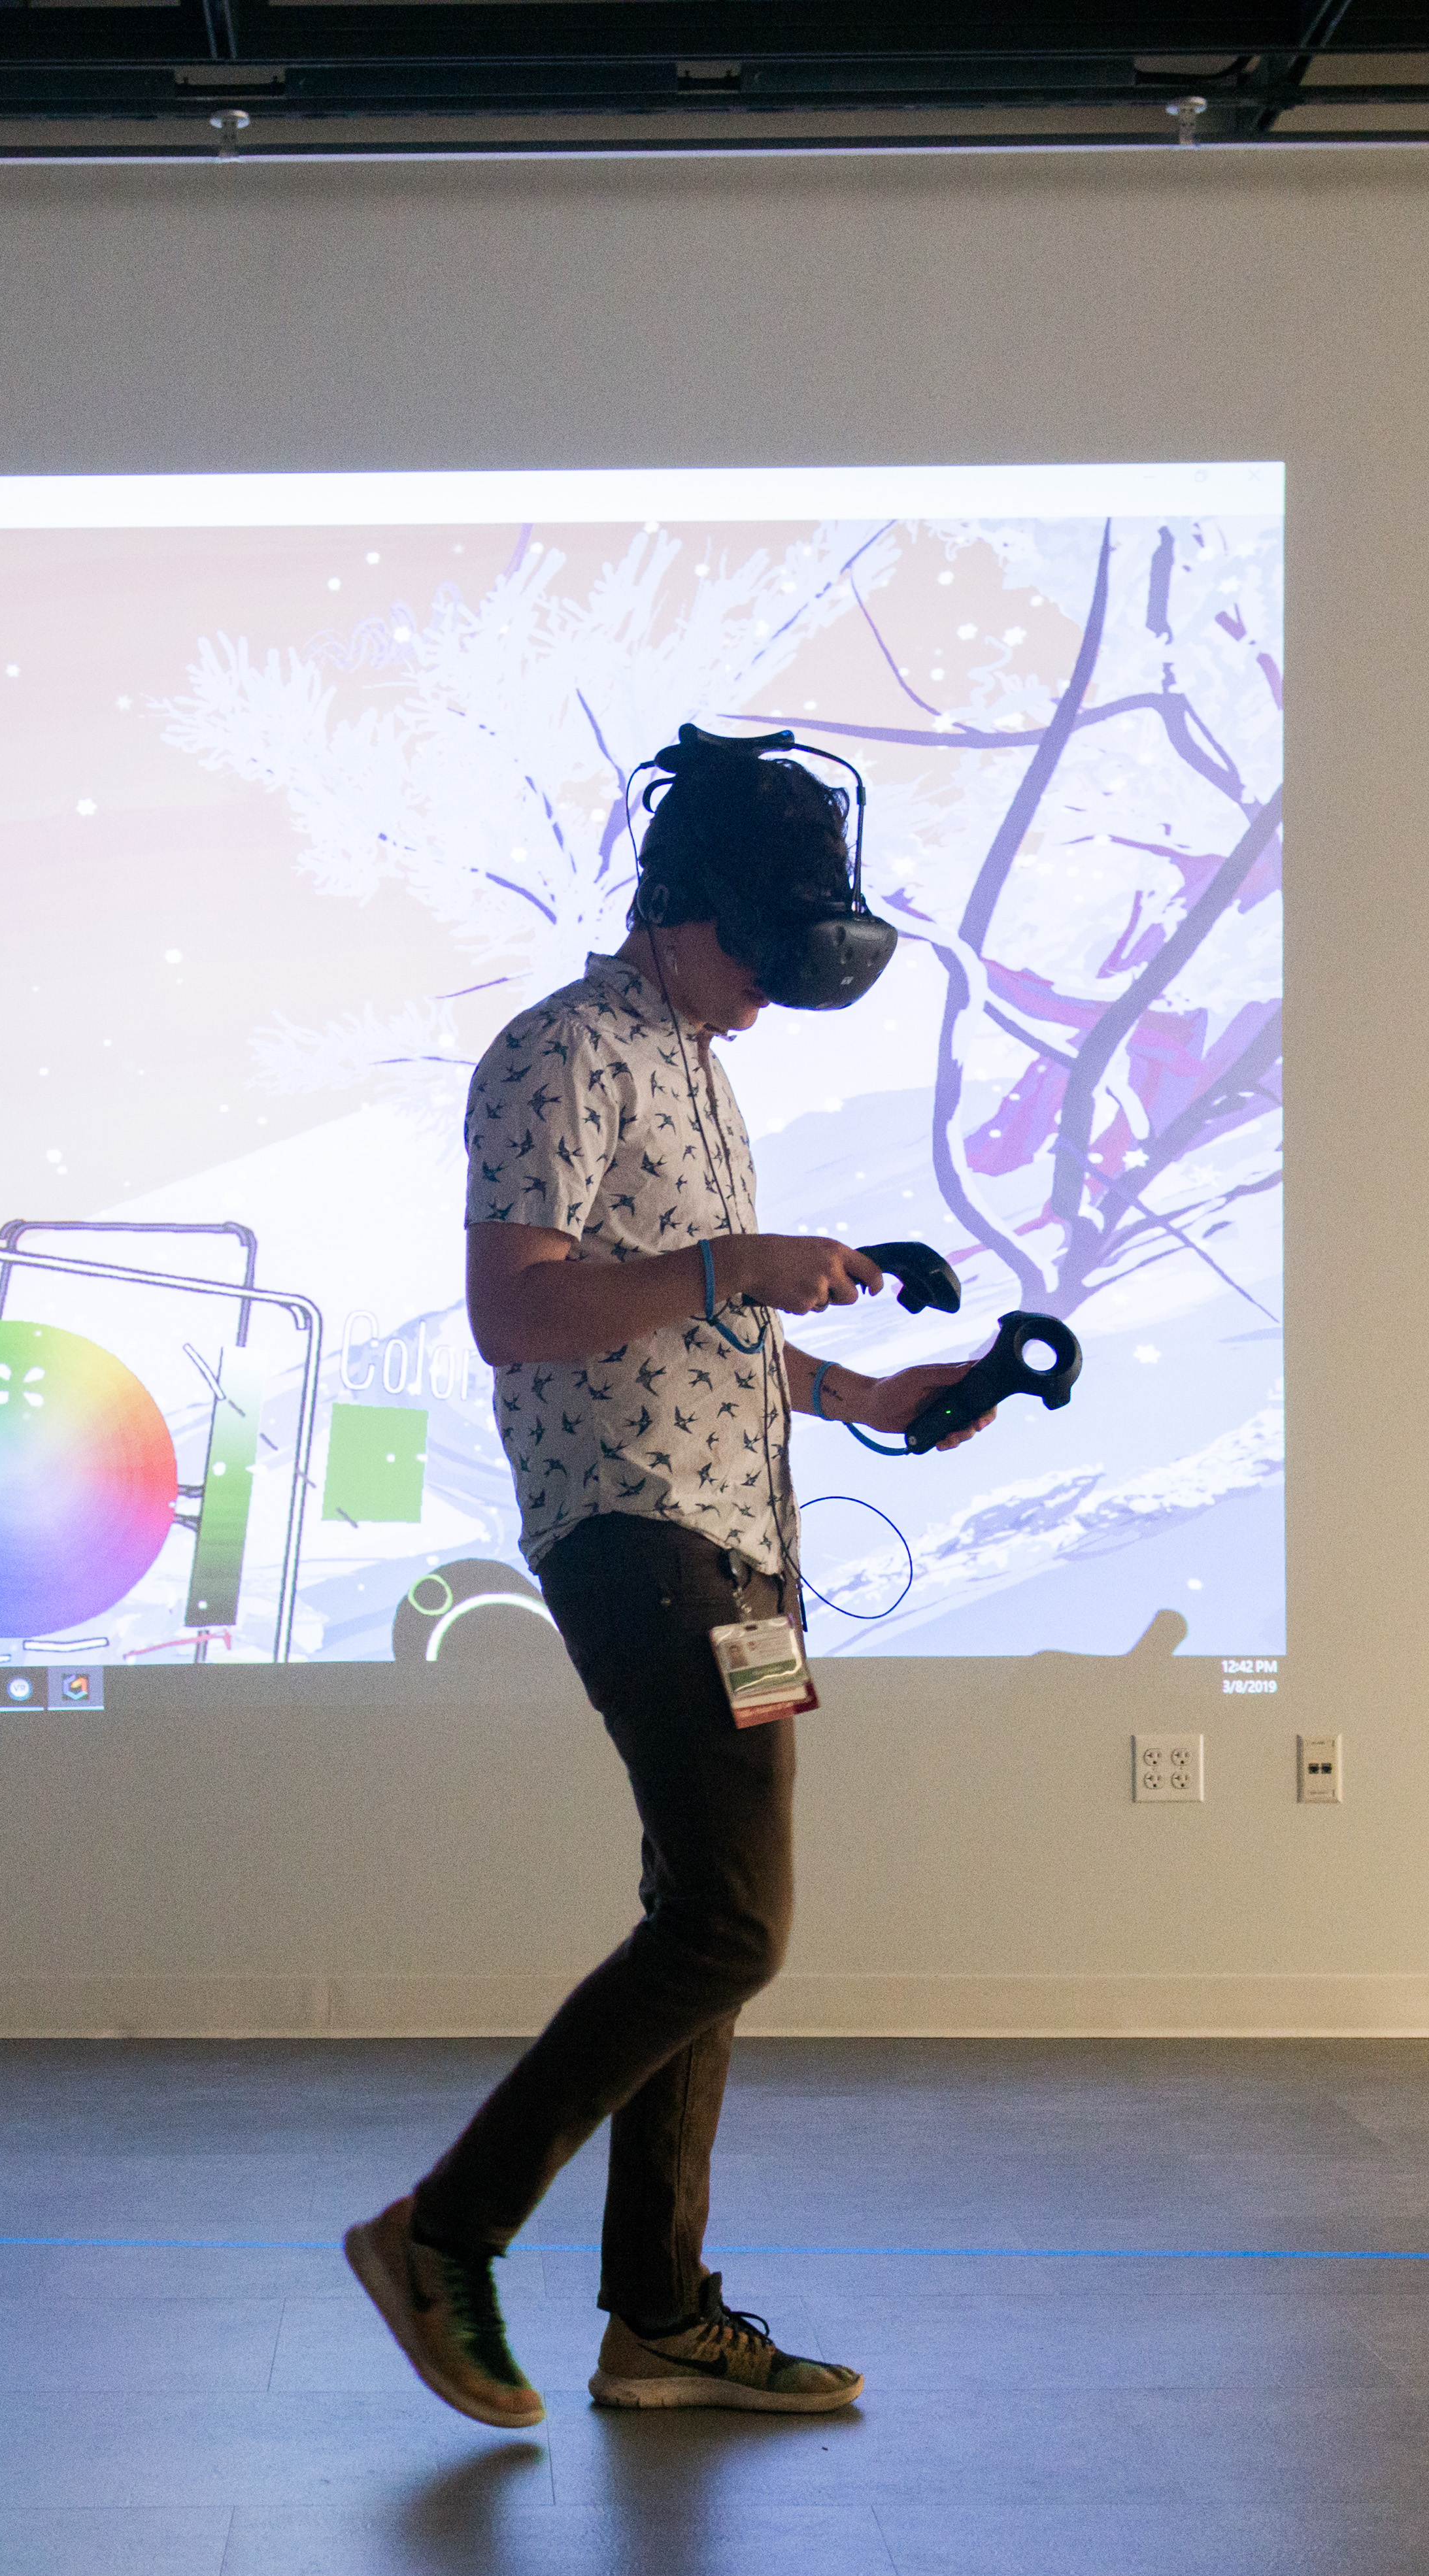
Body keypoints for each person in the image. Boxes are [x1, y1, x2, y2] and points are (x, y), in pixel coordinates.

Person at [345, 729, 997, 2429]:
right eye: (761, 956)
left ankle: (661, 2314)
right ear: (686, 911)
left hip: (746, 1546)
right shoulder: (564, 1054)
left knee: (707, 1919)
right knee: (730, 1919)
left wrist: (857, 1391)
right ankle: (444, 2234)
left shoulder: (699, 1064)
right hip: (636, 1531)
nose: (773, 999)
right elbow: (522, 1312)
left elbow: (687, 1332)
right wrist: (729, 1262)